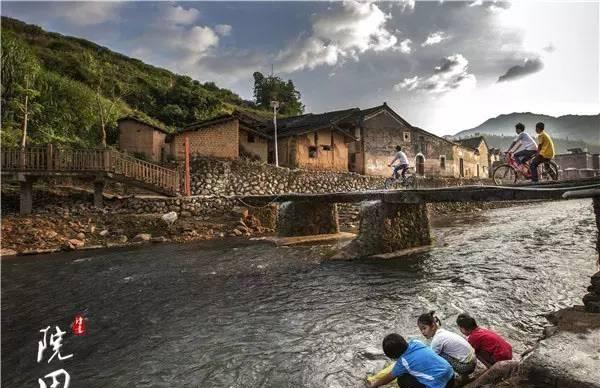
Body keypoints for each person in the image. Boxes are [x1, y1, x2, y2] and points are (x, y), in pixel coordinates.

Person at [366, 333, 455, 388]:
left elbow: (389, 377)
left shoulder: (403, 362)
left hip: (442, 385)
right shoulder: (416, 342)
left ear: (393, 356)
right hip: (451, 375)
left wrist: (375, 385)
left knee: (402, 380)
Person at [417, 311, 476, 378]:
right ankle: (463, 377)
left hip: (467, 367)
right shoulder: (442, 332)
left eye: (424, 328)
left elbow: (431, 359)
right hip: (473, 360)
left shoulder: (437, 340)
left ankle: (450, 378)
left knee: (438, 356)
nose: (422, 332)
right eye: (421, 330)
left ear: (433, 326)